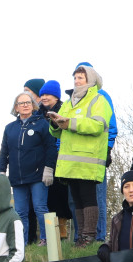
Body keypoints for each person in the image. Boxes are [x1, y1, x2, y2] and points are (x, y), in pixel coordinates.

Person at [48, 65, 112, 247]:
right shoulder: (68, 102)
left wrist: (70, 123)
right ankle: (80, 237)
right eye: (75, 78)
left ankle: (89, 235)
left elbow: (97, 126)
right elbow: (58, 132)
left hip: (88, 159)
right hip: (69, 161)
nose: (76, 81)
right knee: (76, 199)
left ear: (90, 80)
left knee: (88, 197)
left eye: (81, 78)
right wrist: (54, 124)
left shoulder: (99, 100)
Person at [0, 92, 56, 245]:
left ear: (33, 106)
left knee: (40, 207)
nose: (25, 105)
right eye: (21, 103)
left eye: (28, 102)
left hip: (38, 176)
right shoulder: (9, 128)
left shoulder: (43, 124)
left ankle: (47, 240)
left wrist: (49, 168)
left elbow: (51, 147)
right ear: (16, 108)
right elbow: (4, 151)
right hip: (17, 178)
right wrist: (1, 171)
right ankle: (21, 244)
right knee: (20, 212)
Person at [38, 81, 73, 240]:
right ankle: (49, 232)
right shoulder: (38, 113)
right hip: (43, 157)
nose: (44, 98)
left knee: (60, 194)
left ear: (56, 96)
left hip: (60, 156)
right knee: (47, 196)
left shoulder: (63, 109)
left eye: (48, 94)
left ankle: (62, 230)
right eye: (42, 94)